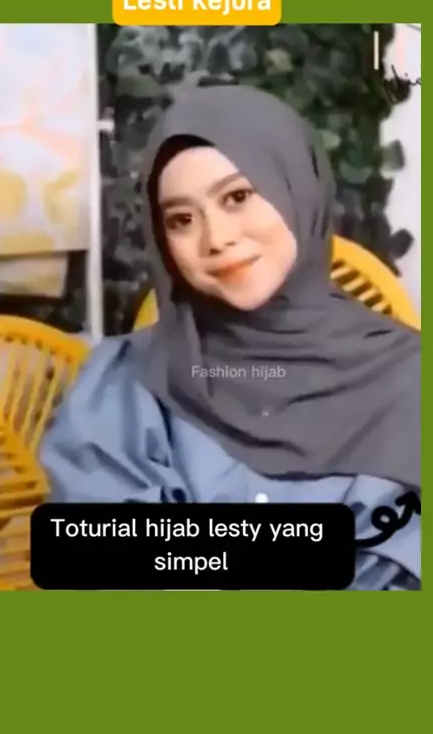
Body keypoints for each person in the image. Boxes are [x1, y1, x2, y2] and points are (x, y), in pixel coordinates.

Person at [39, 85, 421, 591]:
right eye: (181, 220)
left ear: (297, 189)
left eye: (238, 197)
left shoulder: (411, 377)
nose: (216, 238)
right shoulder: (122, 386)